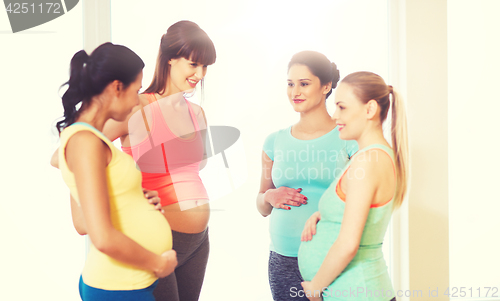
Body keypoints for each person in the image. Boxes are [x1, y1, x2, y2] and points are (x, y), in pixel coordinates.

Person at [95, 20, 215, 301]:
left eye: (205, 67)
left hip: (198, 242)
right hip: (157, 237)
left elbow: (198, 166)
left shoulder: (197, 112)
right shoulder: (137, 106)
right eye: (193, 64)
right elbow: (86, 145)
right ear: (171, 58)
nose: (200, 74)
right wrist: (123, 197)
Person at [56, 42, 177, 301]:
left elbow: (84, 216)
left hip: (126, 284)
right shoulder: (85, 142)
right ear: (117, 87)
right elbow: (102, 238)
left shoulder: (89, 139)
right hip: (118, 287)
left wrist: (132, 197)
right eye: (136, 90)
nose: (137, 100)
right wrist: (159, 262)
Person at [298, 71, 409, 301]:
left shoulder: (368, 161)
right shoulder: (375, 156)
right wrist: (325, 215)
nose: (335, 115)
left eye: (342, 107)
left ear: (369, 109)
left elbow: (349, 244)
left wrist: (315, 287)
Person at [256, 51, 358, 301]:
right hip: (283, 261)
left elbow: (361, 205)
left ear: (326, 87)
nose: (295, 92)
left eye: (304, 84)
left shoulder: (348, 139)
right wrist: (269, 195)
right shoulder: (274, 142)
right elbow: (261, 206)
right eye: (290, 84)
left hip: (330, 258)